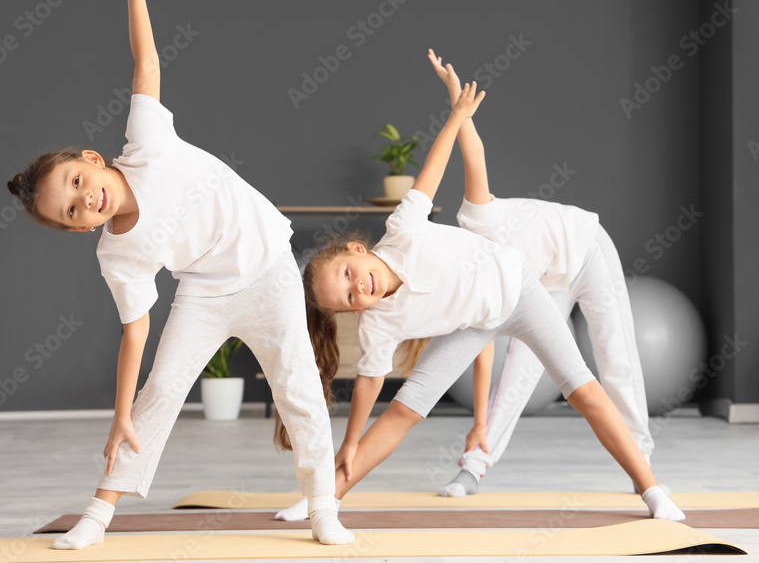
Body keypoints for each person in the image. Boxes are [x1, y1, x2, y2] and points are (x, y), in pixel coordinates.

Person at [6, 0, 352, 549]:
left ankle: (323, 505)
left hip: (268, 268)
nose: (85, 201)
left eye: (79, 184)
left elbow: (147, 67)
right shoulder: (116, 253)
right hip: (207, 293)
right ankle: (100, 512)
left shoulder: (146, 143)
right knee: (161, 390)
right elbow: (135, 333)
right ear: (77, 230)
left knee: (297, 387)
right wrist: (119, 413)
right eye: (70, 211)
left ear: (92, 160)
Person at [275, 55, 684, 523]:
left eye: (349, 273)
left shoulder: (404, 227)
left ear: (356, 249)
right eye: (348, 299)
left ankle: (652, 491)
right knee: (403, 414)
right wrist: (349, 442)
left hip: (522, 292)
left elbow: (441, 164)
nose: (357, 289)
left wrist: (456, 116)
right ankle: (322, 500)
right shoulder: (377, 324)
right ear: (352, 312)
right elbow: (370, 385)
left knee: (584, 390)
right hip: (472, 323)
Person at [425, 50, 654, 498]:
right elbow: (483, 351)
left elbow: (474, 152)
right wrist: (476, 424)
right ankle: (475, 464)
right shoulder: (480, 284)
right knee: (519, 371)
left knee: (615, 354)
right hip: (544, 284)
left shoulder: (477, 218)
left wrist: (457, 104)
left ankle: (640, 462)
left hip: (586, 248)